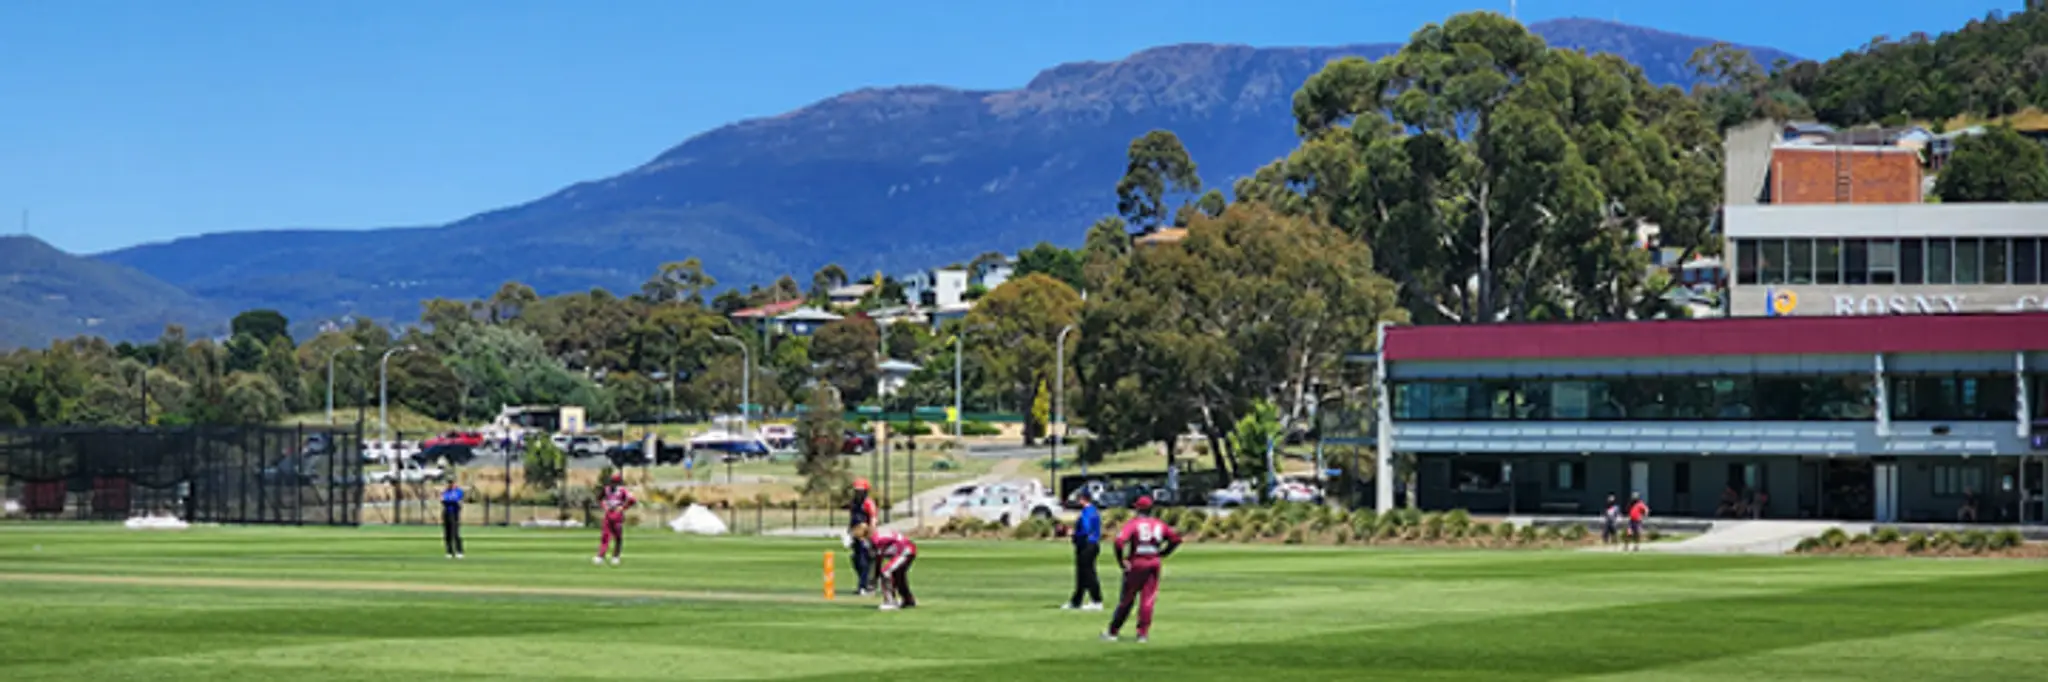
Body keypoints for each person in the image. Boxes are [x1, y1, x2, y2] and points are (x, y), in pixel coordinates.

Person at [1102, 496, 1181, 643]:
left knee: (1127, 598)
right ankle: (1142, 633)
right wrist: (1163, 553)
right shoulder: (1159, 524)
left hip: (1137, 561)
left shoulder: (1133, 524)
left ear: (1137, 508)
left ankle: (1113, 631)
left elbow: (1119, 542)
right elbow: (1175, 539)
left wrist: (1121, 560)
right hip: (1153, 561)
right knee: (1148, 599)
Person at [1065, 491, 1104, 610]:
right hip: (1091, 544)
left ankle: (1096, 600)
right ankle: (1076, 601)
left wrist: (1074, 533)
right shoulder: (1094, 511)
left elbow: (1086, 529)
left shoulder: (1087, 512)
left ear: (1083, 499)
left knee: (1088, 573)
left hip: (1087, 544)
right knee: (1081, 574)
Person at [594, 474, 636, 566]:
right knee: (605, 536)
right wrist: (604, 506)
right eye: (611, 482)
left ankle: (616, 557)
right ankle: (600, 556)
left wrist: (623, 508)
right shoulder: (606, 490)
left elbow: (632, 500)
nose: (612, 484)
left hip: (617, 516)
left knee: (618, 537)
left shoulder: (622, 491)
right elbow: (599, 499)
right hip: (608, 515)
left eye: (614, 482)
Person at [847, 478, 880, 595]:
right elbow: (852, 518)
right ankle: (864, 583)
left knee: (865, 560)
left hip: (866, 535)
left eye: (860, 491)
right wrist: (849, 533)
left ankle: (865, 586)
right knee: (855, 560)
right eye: (857, 491)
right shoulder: (854, 502)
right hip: (856, 534)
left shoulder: (868, 503)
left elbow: (873, 519)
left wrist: (869, 535)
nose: (858, 493)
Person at [872, 527, 917, 610]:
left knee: (886, 572)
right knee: (898, 576)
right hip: (909, 549)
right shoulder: (878, 536)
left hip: (905, 551)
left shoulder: (876, 540)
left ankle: (890, 601)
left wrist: (876, 576)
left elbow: (879, 559)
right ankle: (908, 599)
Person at [441, 479, 466, 559]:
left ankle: (459, 551)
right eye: (449, 483)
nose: (450, 484)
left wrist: (449, 501)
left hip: (454, 513)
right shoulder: (446, 491)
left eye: (452, 482)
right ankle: (449, 551)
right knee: (447, 534)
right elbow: (444, 500)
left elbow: (456, 501)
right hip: (446, 513)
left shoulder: (458, 491)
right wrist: (448, 501)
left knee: (455, 533)